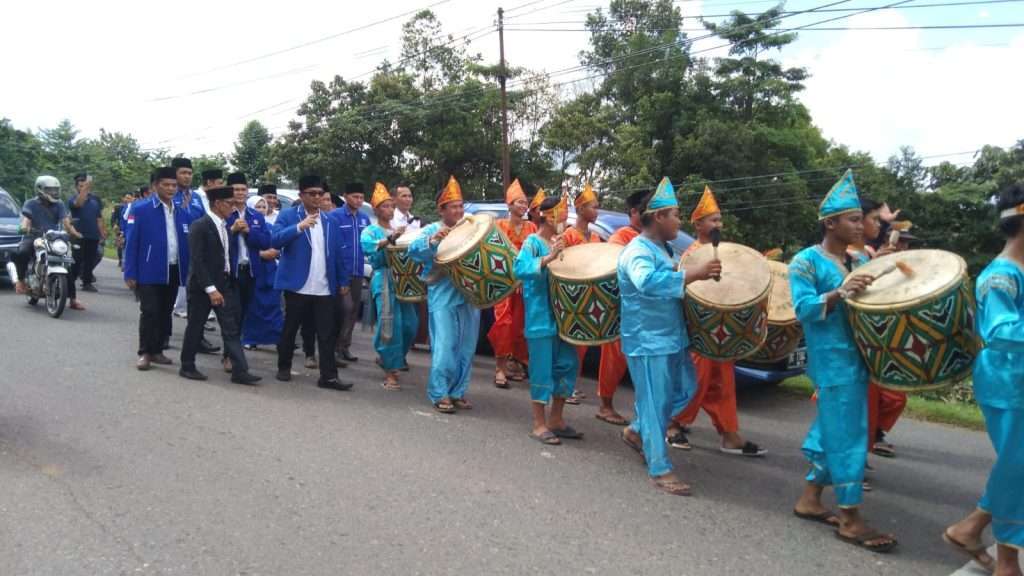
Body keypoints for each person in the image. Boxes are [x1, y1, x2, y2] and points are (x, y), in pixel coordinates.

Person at [789, 169, 897, 553]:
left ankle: (810, 499)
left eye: (859, 219)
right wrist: (838, 292)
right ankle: (850, 517)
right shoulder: (805, 262)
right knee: (849, 436)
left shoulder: (854, 260)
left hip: (856, 357)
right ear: (830, 223)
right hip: (833, 360)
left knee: (831, 431)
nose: (859, 225)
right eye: (853, 219)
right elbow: (802, 309)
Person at [617, 177, 720, 496]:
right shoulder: (637, 250)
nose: (679, 220)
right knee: (654, 402)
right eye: (675, 214)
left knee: (686, 389)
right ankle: (659, 467)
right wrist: (692, 273)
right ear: (659, 217)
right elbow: (646, 281)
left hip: (671, 336)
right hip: (647, 340)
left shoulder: (663, 248)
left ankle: (637, 430)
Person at [944, 183, 1024, 576]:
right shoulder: (1000, 276)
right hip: (1007, 382)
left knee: (1018, 464)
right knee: (1018, 465)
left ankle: (971, 528)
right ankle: (1006, 562)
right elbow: (1003, 331)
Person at [664, 186, 766, 456]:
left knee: (723, 381)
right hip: (698, 328)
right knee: (695, 378)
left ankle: (729, 434)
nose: (718, 224)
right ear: (698, 224)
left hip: (723, 328)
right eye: (713, 220)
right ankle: (673, 424)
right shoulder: (691, 254)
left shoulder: (725, 252)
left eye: (720, 220)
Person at [272, 174, 353, 391]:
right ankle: (284, 366)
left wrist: (343, 280)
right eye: (312, 194)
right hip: (298, 285)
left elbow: (338, 253)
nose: (317, 197)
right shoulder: (289, 215)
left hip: (324, 286)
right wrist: (299, 227)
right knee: (290, 329)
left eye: (320, 194)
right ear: (302, 195)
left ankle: (328, 376)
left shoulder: (330, 220)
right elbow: (275, 239)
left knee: (326, 333)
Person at [409, 176, 481, 414]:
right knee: (445, 344)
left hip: (470, 295)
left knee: (467, 347)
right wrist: (432, 241)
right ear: (442, 210)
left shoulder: (472, 228)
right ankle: (439, 392)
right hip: (443, 294)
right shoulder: (431, 229)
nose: (459, 211)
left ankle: (457, 392)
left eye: (461, 206)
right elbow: (413, 252)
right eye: (454, 207)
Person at [515, 194, 583, 445]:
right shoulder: (532, 242)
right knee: (542, 369)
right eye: (560, 216)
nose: (563, 221)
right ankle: (538, 423)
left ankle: (556, 419)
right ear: (545, 216)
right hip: (540, 316)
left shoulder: (561, 242)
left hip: (565, 317)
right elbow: (520, 269)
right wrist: (548, 258)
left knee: (566, 365)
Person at [178, 186, 261, 385]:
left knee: (231, 328)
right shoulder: (200, 226)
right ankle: (187, 365)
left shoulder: (225, 226)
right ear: (217, 204)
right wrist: (210, 289)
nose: (233, 208)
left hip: (224, 284)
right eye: (230, 203)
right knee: (196, 327)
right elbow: (198, 261)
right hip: (202, 287)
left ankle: (240, 370)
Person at [848, 198, 907, 460]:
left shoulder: (868, 254)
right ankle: (845, 468)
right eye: (871, 219)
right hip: (852, 345)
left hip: (873, 342)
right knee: (853, 410)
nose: (870, 224)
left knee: (888, 399)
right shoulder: (846, 256)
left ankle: (861, 452)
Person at [123, 167, 191, 371]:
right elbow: (132, 242)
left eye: (174, 185)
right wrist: (130, 272)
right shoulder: (141, 209)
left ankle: (158, 350)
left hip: (173, 268)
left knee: (164, 312)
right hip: (148, 268)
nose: (171, 189)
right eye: (166, 185)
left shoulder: (181, 211)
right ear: (155, 186)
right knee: (149, 311)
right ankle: (144, 352)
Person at [595, 189, 647, 426]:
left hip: (644, 311)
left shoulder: (651, 237)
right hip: (621, 307)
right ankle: (605, 406)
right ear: (634, 212)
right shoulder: (621, 236)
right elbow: (612, 265)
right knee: (614, 358)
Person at [360, 182, 418, 390]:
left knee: (411, 324)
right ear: (375, 210)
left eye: (391, 206)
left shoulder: (399, 229)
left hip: (403, 279)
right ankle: (391, 371)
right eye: (385, 206)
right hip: (383, 278)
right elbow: (368, 248)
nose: (390, 210)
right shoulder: (370, 231)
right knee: (389, 325)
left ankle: (391, 357)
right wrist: (390, 239)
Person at [487, 178, 536, 388]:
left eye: (525, 203)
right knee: (503, 323)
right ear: (509, 205)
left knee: (520, 326)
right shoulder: (498, 225)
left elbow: (534, 256)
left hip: (524, 284)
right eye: (519, 202)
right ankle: (499, 367)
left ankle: (515, 364)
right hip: (504, 283)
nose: (524, 206)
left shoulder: (532, 227)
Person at [13, 176, 83, 310]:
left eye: (55, 190)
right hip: (34, 235)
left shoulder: (59, 204)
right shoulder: (30, 203)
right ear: (40, 189)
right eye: (50, 190)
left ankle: (73, 299)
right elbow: (26, 220)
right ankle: (21, 280)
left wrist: (75, 233)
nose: (54, 193)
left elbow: (66, 223)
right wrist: (24, 227)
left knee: (67, 262)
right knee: (22, 252)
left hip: (53, 237)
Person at [224, 172, 270, 371]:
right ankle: (229, 356)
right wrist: (232, 231)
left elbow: (266, 242)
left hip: (250, 272)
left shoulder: (256, 216)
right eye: (236, 189)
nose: (240, 193)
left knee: (243, 314)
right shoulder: (223, 213)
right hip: (230, 271)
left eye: (243, 189)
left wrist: (249, 232)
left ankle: (235, 351)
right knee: (231, 314)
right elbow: (218, 242)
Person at [562, 183, 603, 403]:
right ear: (580, 210)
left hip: (590, 298)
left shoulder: (595, 238)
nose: (597, 211)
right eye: (593, 207)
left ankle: (571, 385)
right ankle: (564, 388)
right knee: (569, 345)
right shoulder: (568, 235)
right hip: (572, 297)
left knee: (582, 347)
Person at [331, 182, 370, 363]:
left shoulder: (364, 219)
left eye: (361, 197)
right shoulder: (336, 216)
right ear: (345, 196)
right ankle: (332, 348)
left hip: (357, 270)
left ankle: (344, 346)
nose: (359, 200)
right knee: (342, 309)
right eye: (355, 197)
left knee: (353, 311)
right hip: (341, 270)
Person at [241, 195, 283, 350]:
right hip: (254, 269)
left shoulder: (270, 226)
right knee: (254, 306)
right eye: (257, 207)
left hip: (271, 271)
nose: (261, 210)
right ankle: (250, 338)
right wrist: (260, 254)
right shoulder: (244, 225)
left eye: (263, 207)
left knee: (272, 305)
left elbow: (278, 244)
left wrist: (275, 251)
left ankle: (277, 337)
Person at [68, 173, 106, 293]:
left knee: (90, 260)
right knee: (77, 260)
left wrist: (102, 233)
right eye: (80, 186)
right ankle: (69, 283)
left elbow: (98, 218)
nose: (83, 188)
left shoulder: (95, 200)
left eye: (85, 185)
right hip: (78, 235)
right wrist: (84, 191)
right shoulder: (73, 198)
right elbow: (79, 203)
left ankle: (87, 282)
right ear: (76, 187)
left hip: (93, 235)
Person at [112, 191, 134, 269]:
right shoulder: (119, 207)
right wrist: (115, 225)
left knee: (126, 246)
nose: (127, 199)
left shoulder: (133, 207)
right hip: (120, 228)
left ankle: (125, 263)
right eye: (126, 198)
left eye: (129, 198)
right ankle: (121, 261)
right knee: (121, 246)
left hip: (128, 229)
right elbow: (115, 218)